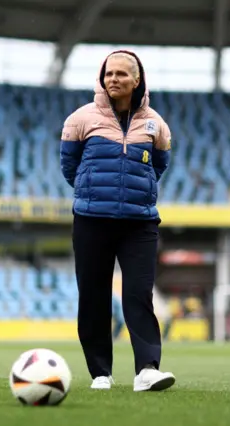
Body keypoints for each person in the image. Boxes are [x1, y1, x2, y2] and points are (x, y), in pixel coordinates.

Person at [60, 50, 175, 392]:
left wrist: (134, 195)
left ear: (137, 81)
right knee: (93, 296)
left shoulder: (156, 124)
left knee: (139, 294)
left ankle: (147, 370)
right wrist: (94, 193)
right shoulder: (80, 119)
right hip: (91, 220)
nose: (113, 79)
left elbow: (159, 165)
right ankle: (100, 373)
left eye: (122, 75)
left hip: (139, 223)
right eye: (109, 73)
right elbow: (70, 166)